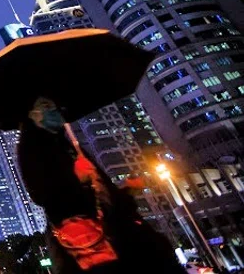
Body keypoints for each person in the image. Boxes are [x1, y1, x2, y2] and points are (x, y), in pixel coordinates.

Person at [17, 97, 185, 274]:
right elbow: (43, 195)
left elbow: (101, 197)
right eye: (46, 107)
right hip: (92, 246)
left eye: (54, 105)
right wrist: (78, 179)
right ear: (32, 115)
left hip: (117, 236)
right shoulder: (31, 148)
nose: (54, 111)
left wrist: (126, 190)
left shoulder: (65, 144)